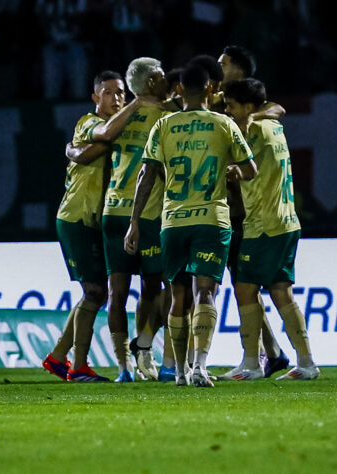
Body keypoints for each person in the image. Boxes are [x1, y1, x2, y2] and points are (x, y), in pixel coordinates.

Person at [124, 64, 257, 387]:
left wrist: (134, 223)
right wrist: (233, 172)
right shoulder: (223, 124)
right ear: (210, 89)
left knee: (178, 295)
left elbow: (146, 174)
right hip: (211, 219)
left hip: (173, 221)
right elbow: (250, 170)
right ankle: (199, 366)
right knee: (205, 293)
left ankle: (181, 372)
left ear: (179, 90)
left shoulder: (164, 125)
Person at [43, 70, 150, 382]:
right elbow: (101, 142)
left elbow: (91, 151)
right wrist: (137, 105)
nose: (115, 98)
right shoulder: (89, 123)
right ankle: (77, 366)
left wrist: (72, 151)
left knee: (96, 292)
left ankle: (59, 357)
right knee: (94, 291)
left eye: (121, 93)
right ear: (95, 98)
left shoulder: (119, 126)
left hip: (94, 217)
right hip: (76, 216)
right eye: (108, 92)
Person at [220, 78, 319, 381]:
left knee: (245, 289)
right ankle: (306, 363)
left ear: (249, 108)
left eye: (231, 106)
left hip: (264, 225)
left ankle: (251, 362)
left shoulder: (251, 130)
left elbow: (236, 160)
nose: (226, 111)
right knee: (280, 291)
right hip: (287, 221)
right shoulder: (273, 127)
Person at [216, 45, 290, 378]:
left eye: (224, 64)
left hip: (248, 211)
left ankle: (265, 355)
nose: (219, 68)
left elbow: (278, 108)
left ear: (241, 70)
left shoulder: (249, 104)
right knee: (243, 284)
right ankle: (271, 352)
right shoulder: (221, 101)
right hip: (230, 207)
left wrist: (245, 119)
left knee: (248, 284)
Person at [100, 57, 168, 383]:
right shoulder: (138, 115)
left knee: (151, 288)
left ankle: (142, 350)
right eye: (162, 75)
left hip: (138, 212)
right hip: (130, 213)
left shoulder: (163, 114)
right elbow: (103, 136)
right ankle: (126, 363)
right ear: (153, 81)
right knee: (125, 292)